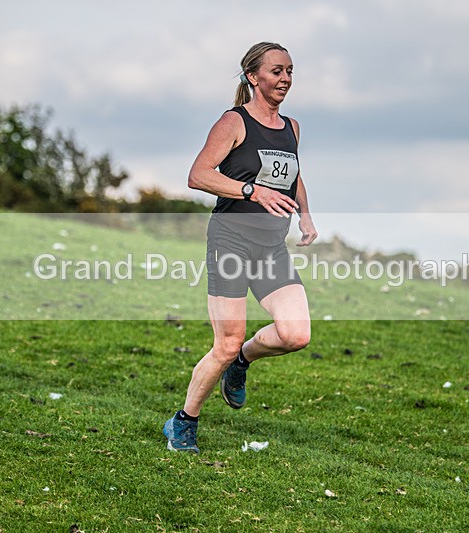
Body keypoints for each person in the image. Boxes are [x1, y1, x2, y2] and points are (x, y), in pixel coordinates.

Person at [163, 42, 318, 453]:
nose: (285, 78)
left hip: (271, 246)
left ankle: (242, 362)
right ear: (253, 77)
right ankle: (183, 422)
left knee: (296, 334)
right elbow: (198, 175)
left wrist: (304, 213)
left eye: (289, 71)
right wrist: (251, 190)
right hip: (231, 241)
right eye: (277, 71)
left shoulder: (292, 127)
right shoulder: (233, 122)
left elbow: (292, 175)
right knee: (225, 341)